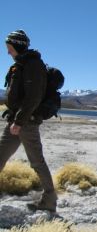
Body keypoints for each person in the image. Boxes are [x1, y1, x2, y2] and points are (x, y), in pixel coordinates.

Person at [1, 30, 57, 212]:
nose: (8, 52)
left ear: (17, 45)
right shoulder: (20, 64)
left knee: (37, 162)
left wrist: (19, 121)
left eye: (9, 48)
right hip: (16, 121)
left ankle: (49, 200)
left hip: (26, 123)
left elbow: (33, 97)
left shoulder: (33, 65)